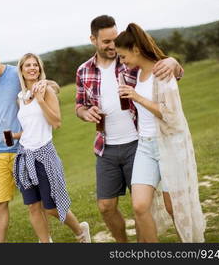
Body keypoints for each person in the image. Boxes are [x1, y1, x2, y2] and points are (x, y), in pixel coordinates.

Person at [75, 15, 184, 242]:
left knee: (141, 206)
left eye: (115, 39)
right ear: (93, 39)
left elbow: (164, 68)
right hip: (106, 147)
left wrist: (173, 62)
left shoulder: (129, 59)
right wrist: (85, 113)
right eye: (106, 41)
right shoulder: (83, 70)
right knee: (105, 206)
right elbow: (79, 105)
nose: (113, 45)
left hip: (138, 142)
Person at [115, 23, 206, 242]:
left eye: (123, 56)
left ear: (136, 50)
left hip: (169, 144)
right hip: (145, 146)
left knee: (173, 207)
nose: (121, 61)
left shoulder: (162, 71)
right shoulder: (136, 74)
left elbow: (171, 115)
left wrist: (137, 97)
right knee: (139, 206)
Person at [0, 43, 55, 242]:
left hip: (24, 149)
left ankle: (46, 240)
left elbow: (41, 85)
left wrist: (45, 86)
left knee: (34, 204)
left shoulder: (16, 75)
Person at [11, 53, 91, 243]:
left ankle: (80, 231)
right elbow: (29, 129)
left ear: (40, 69)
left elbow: (56, 122)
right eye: (28, 65)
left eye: (35, 65)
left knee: (52, 207)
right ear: (21, 70)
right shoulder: (20, 97)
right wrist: (14, 135)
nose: (32, 68)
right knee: (33, 206)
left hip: (44, 155)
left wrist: (40, 100)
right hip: (24, 155)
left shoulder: (47, 91)